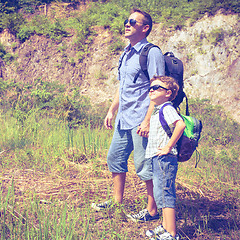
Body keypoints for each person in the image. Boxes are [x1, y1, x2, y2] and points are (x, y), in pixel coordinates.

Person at [91, 8, 165, 223]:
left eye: (133, 22)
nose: (127, 24)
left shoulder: (152, 53)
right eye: (126, 21)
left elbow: (158, 88)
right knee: (114, 158)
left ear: (145, 28)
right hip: (125, 118)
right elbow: (122, 86)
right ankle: (116, 202)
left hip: (142, 119)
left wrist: (148, 120)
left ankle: (152, 211)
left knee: (144, 166)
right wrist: (111, 110)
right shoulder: (126, 53)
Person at [144, 76, 185, 240]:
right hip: (158, 157)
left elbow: (180, 124)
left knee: (166, 193)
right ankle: (165, 227)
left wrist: (168, 146)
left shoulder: (167, 108)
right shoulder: (158, 108)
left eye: (156, 87)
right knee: (160, 192)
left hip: (165, 158)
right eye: (150, 88)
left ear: (168, 93)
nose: (151, 90)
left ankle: (171, 233)